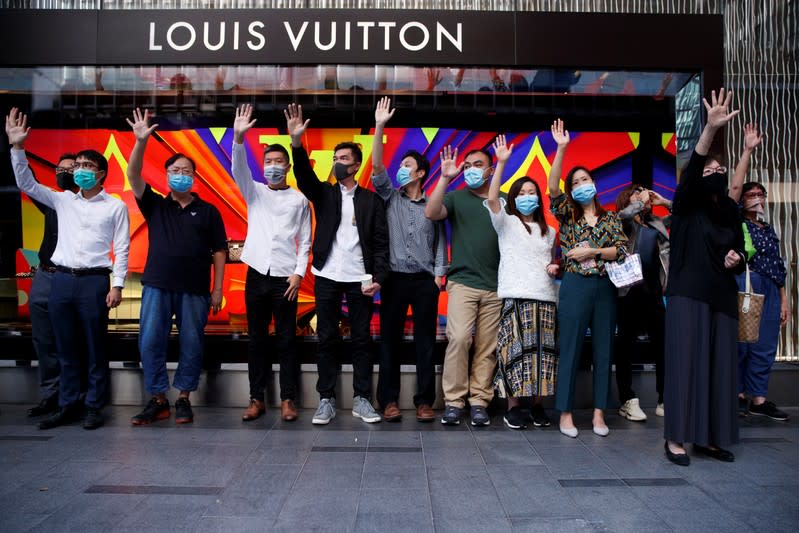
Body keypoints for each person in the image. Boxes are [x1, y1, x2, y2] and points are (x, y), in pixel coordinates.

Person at [7, 107, 130, 430]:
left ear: (102, 173)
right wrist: (17, 147)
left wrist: (118, 285)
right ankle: (67, 404)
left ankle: (93, 405)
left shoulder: (116, 206)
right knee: (65, 345)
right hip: (61, 279)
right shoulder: (63, 200)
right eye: (78, 167)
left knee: (94, 346)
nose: (81, 171)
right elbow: (26, 182)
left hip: (94, 282)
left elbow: (123, 246)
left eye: (88, 166)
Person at [285, 103, 389, 425]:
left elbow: (382, 244)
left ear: (356, 165)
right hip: (326, 275)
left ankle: (362, 400)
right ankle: (326, 400)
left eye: (344, 159)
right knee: (327, 338)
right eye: (335, 159)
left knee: (361, 340)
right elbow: (302, 175)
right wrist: (297, 142)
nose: (338, 163)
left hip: (361, 278)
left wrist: (380, 277)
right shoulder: (324, 194)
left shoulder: (371, 200)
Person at [125, 108, 227, 425]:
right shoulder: (155, 203)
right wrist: (141, 141)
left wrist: (218, 289)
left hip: (195, 289)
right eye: (175, 169)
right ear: (167, 175)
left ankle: (183, 398)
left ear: (194, 177)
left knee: (192, 343)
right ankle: (158, 399)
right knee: (150, 340)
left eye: (186, 170)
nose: (180, 173)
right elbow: (132, 175)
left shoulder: (208, 211)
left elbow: (220, 251)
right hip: (157, 285)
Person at [663, 88, 746, 466]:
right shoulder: (685, 205)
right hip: (688, 293)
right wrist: (710, 130)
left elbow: (741, 252)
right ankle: (677, 438)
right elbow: (695, 167)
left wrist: (737, 258)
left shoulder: (729, 212)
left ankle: (711, 438)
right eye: (708, 171)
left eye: (719, 170)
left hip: (723, 297)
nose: (713, 174)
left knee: (719, 370)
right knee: (686, 366)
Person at [547, 118, 628, 438]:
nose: (582, 185)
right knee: (569, 347)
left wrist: (590, 251)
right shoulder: (568, 214)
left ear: (594, 183)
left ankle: (598, 414)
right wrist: (562, 148)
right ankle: (565, 413)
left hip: (605, 287)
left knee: (604, 349)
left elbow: (620, 251)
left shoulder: (610, 218)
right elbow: (552, 187)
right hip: (575, 286)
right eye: (576, 182)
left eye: (585, 180)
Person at [231, 104, 311, 422]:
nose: (273, 166)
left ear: (288, 167)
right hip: (256, 274)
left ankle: (288, 400)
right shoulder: (255, 193)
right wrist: (238, 139)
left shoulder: (300, 200)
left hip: (285, 278)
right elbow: (239, 170)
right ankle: (256, 398)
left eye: (279, 162)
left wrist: (298, 273)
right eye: (268, 162)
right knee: (257, 340)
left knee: (287, 339)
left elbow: (305, 241)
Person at [371, 97, 447, 422]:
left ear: (420, 173)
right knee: (390, 342)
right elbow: (376, 169)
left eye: (406, 166)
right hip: (395, 279)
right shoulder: (390, 197)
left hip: (424, 282)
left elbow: (442, 239)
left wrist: (439, 274)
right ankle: (388, 401)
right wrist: (379, 126)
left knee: (425, 344)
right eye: (400, 165)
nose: (401, 170)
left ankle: (424, 401)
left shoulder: (433, 205)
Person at [425, 144, 503, 427]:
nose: (471, 169)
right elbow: (431, 213)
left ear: (490, 170)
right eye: (467, 165)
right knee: (458, 339)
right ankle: (454, 402)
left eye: (477, 164)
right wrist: (445, 178)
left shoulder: (502, 201)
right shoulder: (456, 197)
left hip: (496, 285)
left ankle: (480, 400)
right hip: (462, 282)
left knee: (487, 346)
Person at [485, 135, 559, 430]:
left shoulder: (549, 231)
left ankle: (538, 406)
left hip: (545, 297)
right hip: (515, 296)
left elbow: (552, 262)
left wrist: (555, 267)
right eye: (522, 192)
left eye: (533, 191)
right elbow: (492, 200)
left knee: (543, 356)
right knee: (514, 354)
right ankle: (514, 407)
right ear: (514, 197)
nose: (528, 196)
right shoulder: (506, 223)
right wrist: (501, 163)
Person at [727, 124, 790, 421]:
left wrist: (784, 301)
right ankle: (738, 394)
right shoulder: (738, 225)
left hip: (770, 286)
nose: (756, 198)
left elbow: (779, 266)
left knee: (765, 344)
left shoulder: (770, 229)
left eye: (760, 194)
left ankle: (759, 398)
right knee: (742, 342)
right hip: (746, 283)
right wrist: (748, 150)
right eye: (751, 194)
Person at [25, 153, 79, 418]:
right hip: (44, 276)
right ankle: (50, 395)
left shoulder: (88, 204)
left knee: (72, 340)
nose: (64, 173)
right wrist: (18, 148)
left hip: (71, 278)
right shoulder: (51, 200)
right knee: (44, 341)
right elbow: (28, 181)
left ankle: (75, 397)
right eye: (61, 169)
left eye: (71, 169)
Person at [614, 184, 671, 420]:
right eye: (636, 192)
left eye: (644, 191)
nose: (643, 195)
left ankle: (664, 398)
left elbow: (685, 216)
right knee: (625, 346)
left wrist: (664, 202)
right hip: (629, 291)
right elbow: (623, 214)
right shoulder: (623, 222)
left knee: (663, 346)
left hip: (654, 291)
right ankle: (627, 399)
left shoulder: (657, 223)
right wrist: (639, 201)